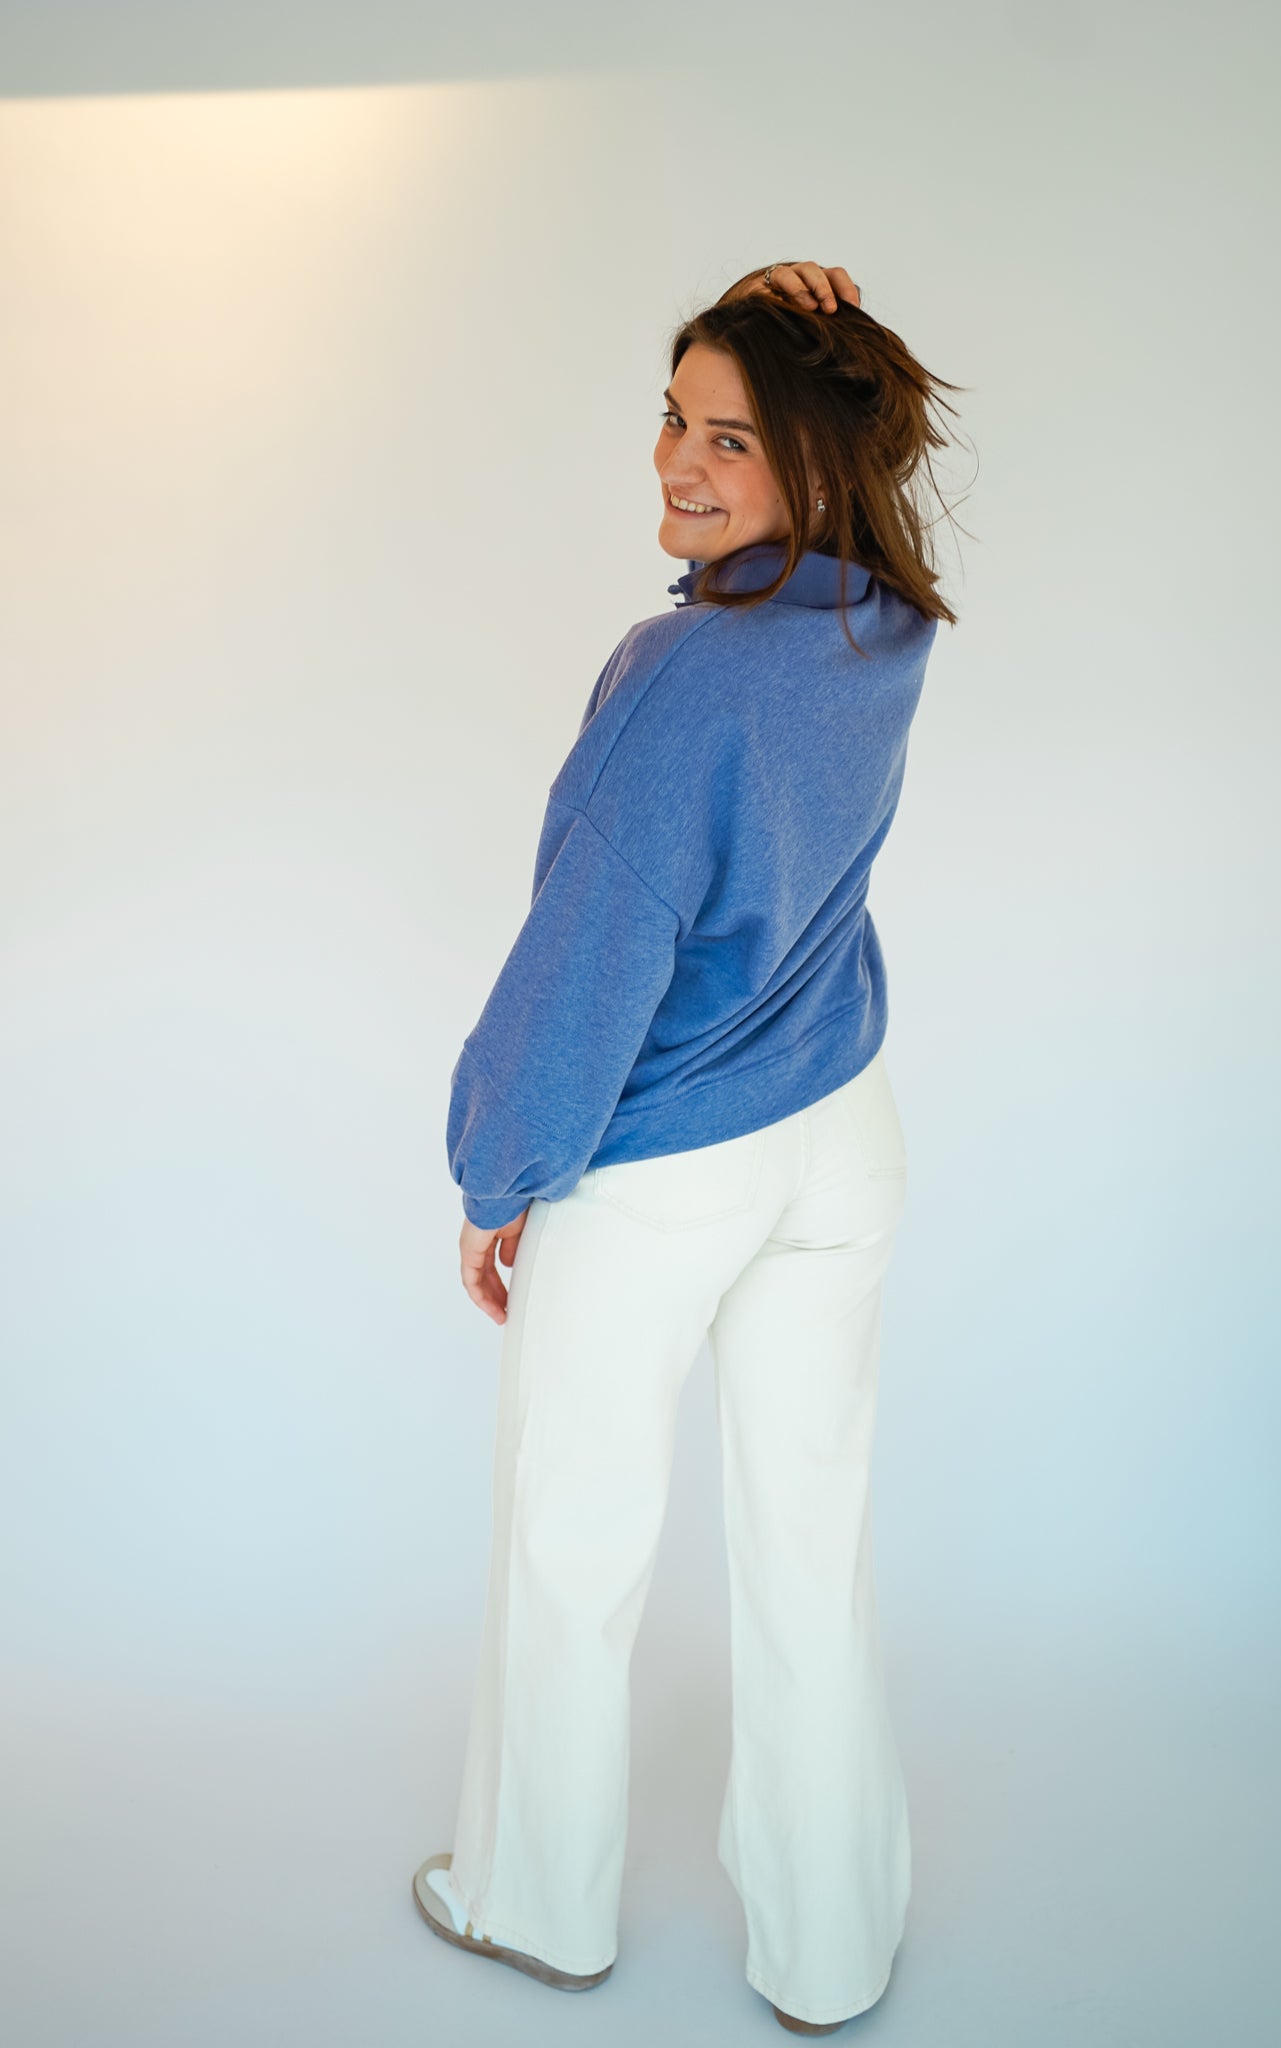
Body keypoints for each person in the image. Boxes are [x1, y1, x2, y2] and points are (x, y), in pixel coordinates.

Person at [411, 259, 964, 2036]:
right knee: (811, 1548)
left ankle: (532, 1906)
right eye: (672, 417)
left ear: (814, 456)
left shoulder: (680, 676)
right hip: (839, 1135)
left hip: (662, 1167)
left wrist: (497, 1172)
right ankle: (831, 1947)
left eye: (731, 435)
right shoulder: (885, 629)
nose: (675, 460)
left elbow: (587, 959)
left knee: (571, 1548)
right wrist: (788, 321)